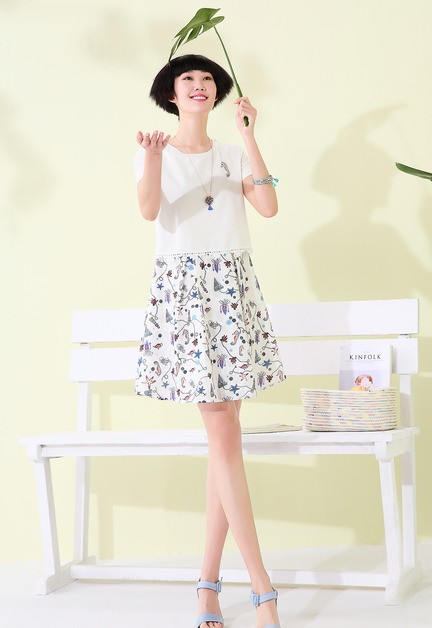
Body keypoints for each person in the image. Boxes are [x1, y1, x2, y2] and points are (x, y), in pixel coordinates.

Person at [134, 54, 285, 628]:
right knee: (224, 435)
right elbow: (149, 210)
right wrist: (153, 158)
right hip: (187, 297)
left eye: (207, 79)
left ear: (216, 92)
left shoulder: (230, 153)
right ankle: (263, 590)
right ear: (171, 94)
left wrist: (249, 137)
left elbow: (268, 206)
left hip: (233, 291)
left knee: (225, 442)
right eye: (187, 79)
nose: (199, 85)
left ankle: (206, 587)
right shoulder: (154, 150)